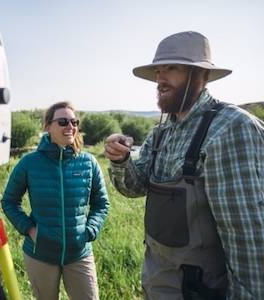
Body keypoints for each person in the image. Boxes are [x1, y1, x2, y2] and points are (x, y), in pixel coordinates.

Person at [104, 31, 264, 299]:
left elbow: (247, 240)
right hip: (157, 281)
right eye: (158, 70)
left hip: (199, 290)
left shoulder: (230, 128)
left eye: (172, 68)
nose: (160, 78)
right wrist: (121, 160)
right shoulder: (163, 130)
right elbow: (136, 187)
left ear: (200, 76)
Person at [2, 101, 109, 300]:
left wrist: (90, 230)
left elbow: (101, 203)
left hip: (79, 254)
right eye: (63, 122)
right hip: (40, 253)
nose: (70, 126)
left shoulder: (89, 162)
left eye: (74, 121)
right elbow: (9, 201)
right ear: (48, 126)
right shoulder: (29, 162)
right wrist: (31, 230)